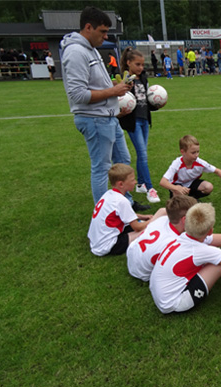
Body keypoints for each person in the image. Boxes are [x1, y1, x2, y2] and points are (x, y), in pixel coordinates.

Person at [61, 6, 148, 211]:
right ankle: (105, 215)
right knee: (102, 168)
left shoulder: (90, 49)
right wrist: (113, 92)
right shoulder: (75, 52)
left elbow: (98, 86)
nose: (106, 36)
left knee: (123, 161)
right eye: (102, 31)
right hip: (94, 119)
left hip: (108, 117)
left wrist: (116, 104)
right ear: (88, 27)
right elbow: (78, 95)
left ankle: (124, 203)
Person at [149, 203, 221, 314]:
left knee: (213, 259)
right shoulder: (198, 250)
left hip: (161, 295)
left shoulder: (184, 237)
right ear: (210, 231)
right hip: (174, 303)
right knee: (219, 266)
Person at [127, 195, 221, 281]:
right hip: (143, 274)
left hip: (132, 258)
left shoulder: (163, 220)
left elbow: (215, 238)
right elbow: (212, 246)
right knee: (214, 262)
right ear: (185, 219)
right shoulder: (178, 242)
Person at [88, 164, 161, 256]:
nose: (135, 182)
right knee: (148, 229)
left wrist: (144, 216)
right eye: (132, 180)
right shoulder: (121, 201)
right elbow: (137, 227)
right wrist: (153, 220)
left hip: (96, 241)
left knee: (141, 223)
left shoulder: (109, 194)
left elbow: (123, 214)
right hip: (107, 246)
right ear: (121, 184)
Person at [118, 47, 161, 204]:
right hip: (133, 121)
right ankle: (150, 189)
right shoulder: (125, 80)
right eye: (138, 64)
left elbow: (146, 101)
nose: (141, 68)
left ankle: (141, 184)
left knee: (142, 153)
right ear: (128, 63)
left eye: (143, 65)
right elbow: (121, 101)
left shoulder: (143, 77)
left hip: (144, 119)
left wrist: (156, 105)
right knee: (143, 155)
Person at [159, 135, 221, 199]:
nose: (196, 155)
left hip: (191, 183)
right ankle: (178, 202)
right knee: (179, 195)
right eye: (193, 152)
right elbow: (163, 182)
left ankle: (192, 198)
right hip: (177, 184)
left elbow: (217, 171)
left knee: (208, 187)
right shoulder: (176, 164)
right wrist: (177, 188)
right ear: (182, 152)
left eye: (198, 151)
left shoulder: (200, 162)